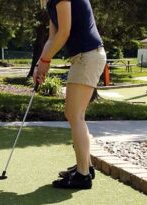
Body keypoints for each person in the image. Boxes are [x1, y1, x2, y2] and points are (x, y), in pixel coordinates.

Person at [34, 0, 106, 189]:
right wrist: (41, 65)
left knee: (74, 115)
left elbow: (65, 32)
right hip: (83, 57)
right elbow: (53, 37)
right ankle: (85, 167)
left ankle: (83, 176)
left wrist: (45, 59)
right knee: (76, 116)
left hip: (88, 56)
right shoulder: (51, 3)